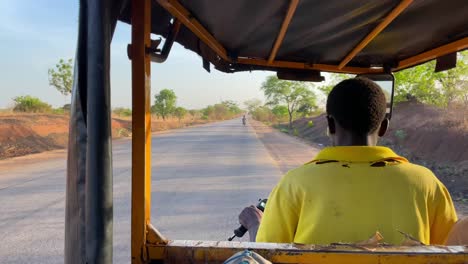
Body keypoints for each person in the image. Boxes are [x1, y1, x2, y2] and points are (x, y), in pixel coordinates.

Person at [239, 78, 458, 245]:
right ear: (384, 127)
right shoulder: (426, 182)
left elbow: (267, 254)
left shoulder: (294, 184)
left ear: (330, 125)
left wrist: (254, 223)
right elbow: (450, 250)